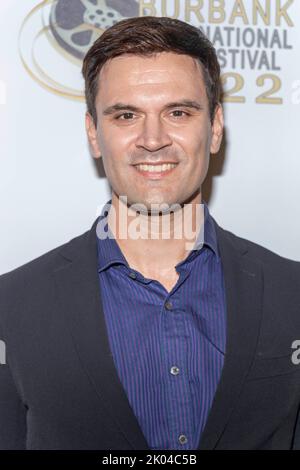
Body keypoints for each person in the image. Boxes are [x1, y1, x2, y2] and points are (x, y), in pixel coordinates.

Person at [1, 16, 300, 451]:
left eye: (178, 112)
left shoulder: (291, 292)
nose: (153, 139)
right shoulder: (12, 305)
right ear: (94, 133)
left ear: (215, 127)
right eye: (126, 115)